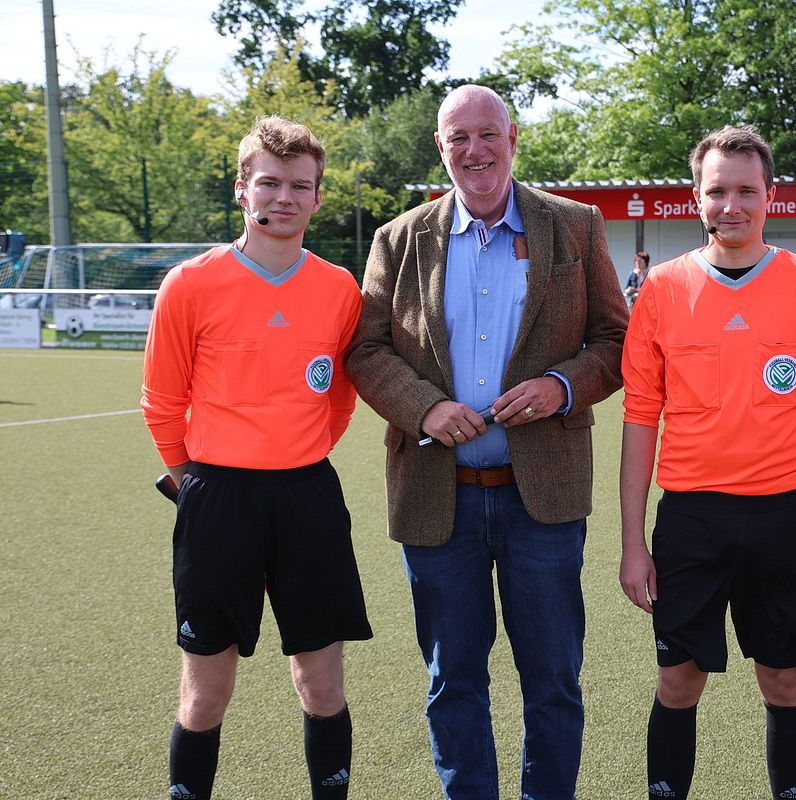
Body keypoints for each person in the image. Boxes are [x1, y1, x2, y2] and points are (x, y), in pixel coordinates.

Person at [343, 84, 627, 800]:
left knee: (553, 681)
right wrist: (424, 409)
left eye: (487, 134)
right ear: (441, 147)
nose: (475, 150)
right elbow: (366, 350)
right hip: (438, 501)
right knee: (453, 682)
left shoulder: (576, 225)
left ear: (512, 138)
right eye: (459, 137)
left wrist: (560, 386)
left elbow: (616, 341)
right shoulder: (398, 239)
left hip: (543, 502)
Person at [141, 116, 373, 800]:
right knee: (205, 695)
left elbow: (340, 400)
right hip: (217, 499)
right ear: (242, 190)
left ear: (318, 197)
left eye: (300, 186)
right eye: (269, 183)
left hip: (308, 497)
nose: (284, 197)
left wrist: (297, 457)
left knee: (321, 685)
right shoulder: (189, 283)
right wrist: (196, 484)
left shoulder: (339, 288)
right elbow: (162, 402)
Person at [620, 126, 796, 800]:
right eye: (717, 191)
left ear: (769, 195)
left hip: (783, 516)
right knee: (678, 679)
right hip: (690, 519)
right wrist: (633, 543)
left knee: (784, 678)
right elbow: (640, 419)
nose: (732, 206)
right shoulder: (663, 288)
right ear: (696, 197)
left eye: (746, 190)